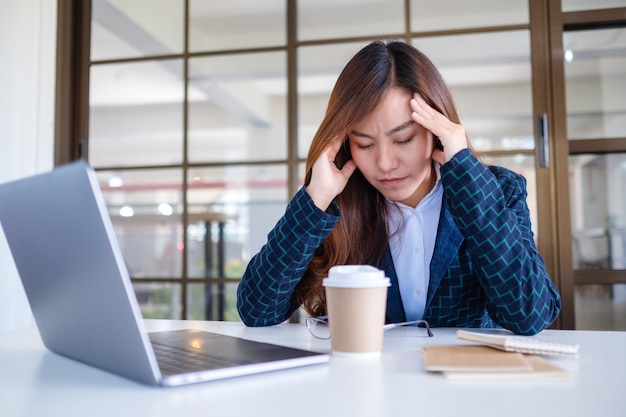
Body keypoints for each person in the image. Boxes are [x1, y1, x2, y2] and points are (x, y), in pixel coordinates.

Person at [237, 40, 561, 335]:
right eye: (364, 144)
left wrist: (465, 173)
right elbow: (257, 310)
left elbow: (529, 316)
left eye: (403, 139)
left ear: (437, 129)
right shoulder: (336, 201)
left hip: (465, 392)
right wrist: (315, 199)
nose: (385, 163)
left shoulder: (497, 189)